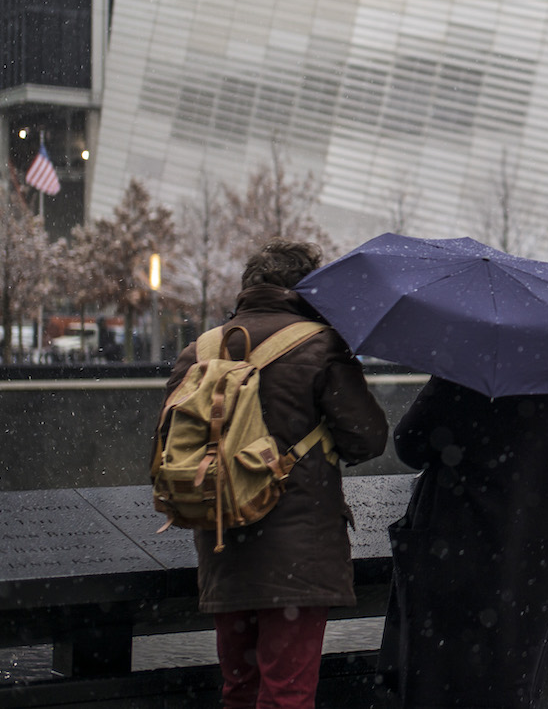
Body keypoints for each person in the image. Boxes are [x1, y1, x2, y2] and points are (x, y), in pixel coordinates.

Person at [165, 238, 388, 709]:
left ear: (249, 287)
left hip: (223, 539)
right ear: (309, 289)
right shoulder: (322, 346)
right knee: (287, 692)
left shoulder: (199, 351)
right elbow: (367, 440)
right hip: (298, 552)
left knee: (239, 687)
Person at [378, 376, 548, 709]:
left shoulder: (467, 376)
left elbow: (410, 444)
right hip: (531, 567)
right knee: (510, 684)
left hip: (458, 561)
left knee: (439, 684)